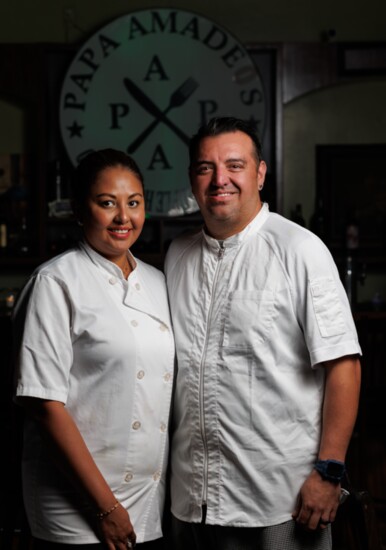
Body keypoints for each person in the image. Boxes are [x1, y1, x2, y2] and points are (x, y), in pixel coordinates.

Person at [164, 117, 361, 550]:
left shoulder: (300, 249)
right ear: (192, 179)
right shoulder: (177, 255)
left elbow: (343, 363)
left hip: (280, 501)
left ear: (260, 173)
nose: (220, 180)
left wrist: (329, 472)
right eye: (205, 168)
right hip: (189, 497)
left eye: (234, 165)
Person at [12, 149, 175, 549]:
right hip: (76, 509)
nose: (124, 217)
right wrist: (106, 508)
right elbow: (44, 404)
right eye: (107, 203)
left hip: (147, 505)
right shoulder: (55, 282)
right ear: (80, 211)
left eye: (133, 203)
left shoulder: (157, 281)